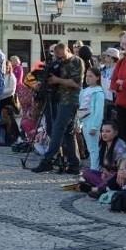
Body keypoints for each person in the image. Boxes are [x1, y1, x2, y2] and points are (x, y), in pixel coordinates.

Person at [31, 43, 84, 174]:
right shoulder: (58, 62)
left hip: (71, 101)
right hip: (59, 100)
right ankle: (74, 165)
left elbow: (76, 84)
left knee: (58, 130)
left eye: (62, 56)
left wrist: (56, 80)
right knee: (68, 133)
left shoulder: (77, 61)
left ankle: (47, 161)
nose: (60, 59)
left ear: (68, 51)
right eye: (57, 57)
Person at [78, 120, 126, 197]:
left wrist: (109, 174)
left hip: (118, 177)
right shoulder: (104, 144)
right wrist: (104, 171)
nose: (104, 134)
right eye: (102, 131)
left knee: (111, 180)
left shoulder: (120, 146)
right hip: (107, 176)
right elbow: (104, 165)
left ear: (115, 133)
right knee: (86, 172)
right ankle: (103, 188)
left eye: (108, 131)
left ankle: (97, 189)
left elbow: (121, 169)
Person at [78, 66, 105, 170]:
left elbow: (98, 111)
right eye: (86, 76)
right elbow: (80, 108)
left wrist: (95, 126)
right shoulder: (84, 91)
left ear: (97, 78)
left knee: (93, 148)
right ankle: (93, 168)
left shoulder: (98, 92)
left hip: (92, 123)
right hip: (84, 122)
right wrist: (78, 124)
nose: (87, 78)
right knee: (89, 148)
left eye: (91, 76)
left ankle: (95, 169)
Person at [99, 47, 120, 121]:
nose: (105, 58)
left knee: (113, 121)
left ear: (111, 58)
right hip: (104, 99)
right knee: (104, 120)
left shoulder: (119, 69)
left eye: (107, 56)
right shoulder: (102, 68)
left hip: (114, 100)